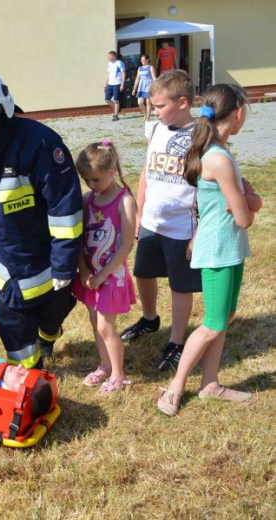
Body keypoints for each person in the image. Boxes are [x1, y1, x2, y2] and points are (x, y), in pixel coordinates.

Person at [0, 67, 82, 369]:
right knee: (11, 323)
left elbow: (65, 208)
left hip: (43, 258)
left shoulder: (41, 143)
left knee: (52, 313)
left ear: (3, 106)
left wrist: (64, 264)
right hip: (4, 263)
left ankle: (48, 338)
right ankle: (30, 374)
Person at [157, 85, 262, 416]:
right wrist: (251, 201)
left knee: (224, 317)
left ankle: (211, 384)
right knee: (213, 323)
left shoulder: (219, 150)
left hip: (228, 249)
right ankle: (174, 388)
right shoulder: (217, 158)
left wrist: (245, 201)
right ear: (238, 113)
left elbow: (234, 207)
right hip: (219, 250)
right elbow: (244, 217)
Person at [120, 71, 201, 371]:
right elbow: (146, 171)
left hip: (182, 227)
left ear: (183, 102)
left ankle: (177, 340)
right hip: (152, 221)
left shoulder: (200, 134)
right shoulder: (156, 129)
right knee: (143, 273)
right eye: (153, 106)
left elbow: (211, 179)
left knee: (180, 285)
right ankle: (150, 319)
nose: (155, 111)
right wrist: (140, 211)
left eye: (160, 106)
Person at [71, 140, 137, 394]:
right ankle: (106, 365)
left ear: (111, 172)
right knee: (94, 321)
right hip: (91, 275)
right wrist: (85, 271)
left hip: (111, 276)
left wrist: (102, 275)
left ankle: (118, 376)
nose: (90, 185)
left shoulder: (125, 201)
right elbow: (79, 237)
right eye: (86, 180)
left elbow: (126, 246)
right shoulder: (88, 199)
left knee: (105, 326)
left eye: (95, 179)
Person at [132, 54, 157, 122]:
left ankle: (148, 117)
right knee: (140, 102)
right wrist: (134, 89)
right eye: (141, 60)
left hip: (149, 85)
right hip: (141, 86)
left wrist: (157, 86)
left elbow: (154, 77)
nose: (142, 61)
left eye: (143, 60)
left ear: (147, 60)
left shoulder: (151, 67)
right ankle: (145, 113)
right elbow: (137, 79)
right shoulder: (139, 68)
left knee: (148, 102)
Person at [104, 51, 127, 122]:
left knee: (116, 100)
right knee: (107, 99)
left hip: (117, 84)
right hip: (110, 84)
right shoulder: (109, 64)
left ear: (113, 56)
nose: (108, 57)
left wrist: (122, 84)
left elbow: (123, 73)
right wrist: (105, 83)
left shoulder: (119, 63)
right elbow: (108, 74)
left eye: (109, 56)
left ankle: (116, 115)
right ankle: (118, 109)